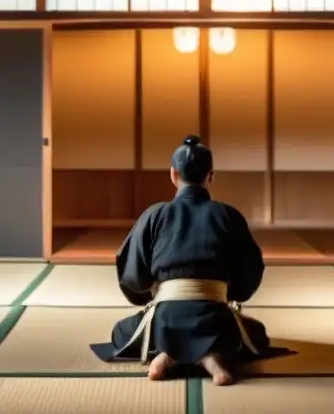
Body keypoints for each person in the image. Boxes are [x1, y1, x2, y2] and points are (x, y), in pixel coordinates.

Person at [90, 135, 286, 385]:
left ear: (173, 174)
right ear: (211, 176)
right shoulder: (228, 215)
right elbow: (249, 273)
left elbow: (133, 275)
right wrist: (226, 294)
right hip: (216, 317)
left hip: (166, 317)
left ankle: (166, 353)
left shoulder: (154, 214)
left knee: (121, 331)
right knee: (256, 334)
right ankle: (211, 356)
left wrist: (149, 297)